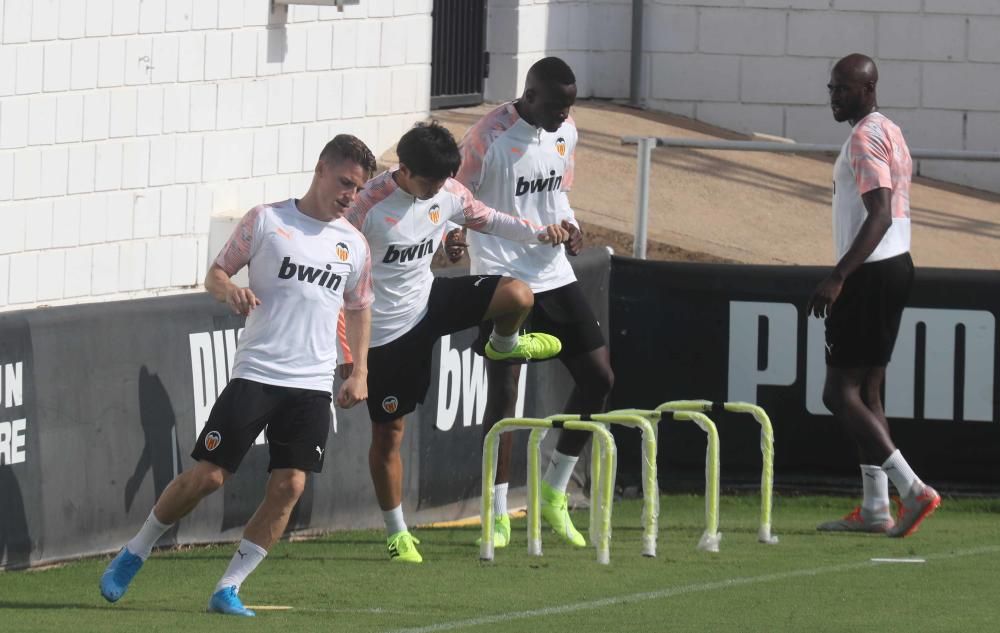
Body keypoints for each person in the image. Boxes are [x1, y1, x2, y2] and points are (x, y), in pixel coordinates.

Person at [99, 135, 377, 615]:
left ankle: (229, 587)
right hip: (259, 371)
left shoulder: (353, 243)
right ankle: (136, 550)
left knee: (291, 486)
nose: (350, 195)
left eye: (357, 189)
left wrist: (359, 371)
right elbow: (216, 274)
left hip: (312, 382)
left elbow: (360, 307)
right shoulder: (267, 220)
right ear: (320, 169)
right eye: (345, 183)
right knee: (209, 477)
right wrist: (230, 291)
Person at [341, 121, 569, 563]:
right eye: (429, 181)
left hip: (432, 298)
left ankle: (504, 345)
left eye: (444, 180)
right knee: (390, 433)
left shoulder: (448, 192)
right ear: (403, 170)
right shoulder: (365, 207)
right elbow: (336, 280)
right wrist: (349, 356)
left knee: (518, 294)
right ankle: (397, 532)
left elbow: (489, 218)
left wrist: (539, 231)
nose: (438, 189)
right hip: (387, 332)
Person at [451, 56, 614, 549]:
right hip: (503, 277)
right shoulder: (487, 137)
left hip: (552, 271)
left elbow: (559, 195)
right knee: (505, 396)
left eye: (571, 104)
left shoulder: (566, 132)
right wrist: (452, 235)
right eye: (557, 104)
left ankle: (553, 490)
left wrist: (573, 228)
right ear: (529, 95)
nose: (565, 113)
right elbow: (455, 195)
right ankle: (497, 510)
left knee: (599, 378)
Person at [810, 54, 940, 537]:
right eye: (831, 88)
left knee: (837, 392)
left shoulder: (864, 136)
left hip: (868, 271)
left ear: (868, 89)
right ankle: (874, 508)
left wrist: (839, 275)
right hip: (896, 265)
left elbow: (879, 213)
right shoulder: (890, 129)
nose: (834, 96)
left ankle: (912, 490)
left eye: (844, 89)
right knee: (868, 391)